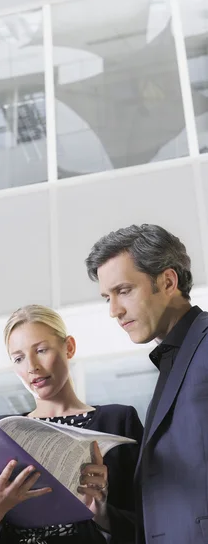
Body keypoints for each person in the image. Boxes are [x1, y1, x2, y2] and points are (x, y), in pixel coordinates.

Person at [0, 304, 143, 544]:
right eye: (19, 358)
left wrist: (101, 513)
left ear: (69, 347)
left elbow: (157, 521)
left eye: (41, 350)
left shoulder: (118, 421)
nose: (32, 367)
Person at [85, 223, 208, 544]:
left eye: (124, 290)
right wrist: (103, 513)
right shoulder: (170, 363)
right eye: (106, 297)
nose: (114, 310)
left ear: (168, 281)